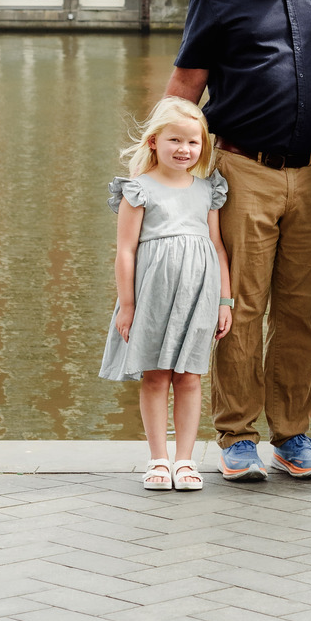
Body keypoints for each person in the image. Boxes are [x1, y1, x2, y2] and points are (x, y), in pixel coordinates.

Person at [165, 0, 311, 482]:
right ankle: (236, 434)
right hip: (243, 168)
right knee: (239, 307)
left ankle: (292, 435)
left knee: (300, 311)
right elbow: (185, 89)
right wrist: (165, 173)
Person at [98, 98, 232, 492]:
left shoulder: (208, 189)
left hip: (199, 294)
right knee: (156, 376)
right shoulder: (138, 190)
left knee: (189, 376)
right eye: (175, 140)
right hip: (151, 294)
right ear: (154, 141)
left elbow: (218, 246)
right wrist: (127, 305)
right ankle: (158, 460)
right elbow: (126, 250)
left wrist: (225, 301)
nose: (184, 149)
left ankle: (186, 461)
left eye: (193, 143)